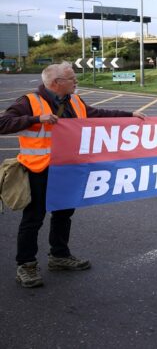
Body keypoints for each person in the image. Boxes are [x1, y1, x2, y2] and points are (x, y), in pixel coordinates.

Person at [0, 62, 146, 288]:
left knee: (63, 214)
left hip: (67, 169)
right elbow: (3, 123)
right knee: (33, 219)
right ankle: (26, 265)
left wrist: (130, 115)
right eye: (71, 78)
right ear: (56, 83)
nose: (76, 81)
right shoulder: (29, 101)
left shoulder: (75, 100)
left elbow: (97, 114)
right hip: (39, 169)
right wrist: (36, 119)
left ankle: (59, 256)